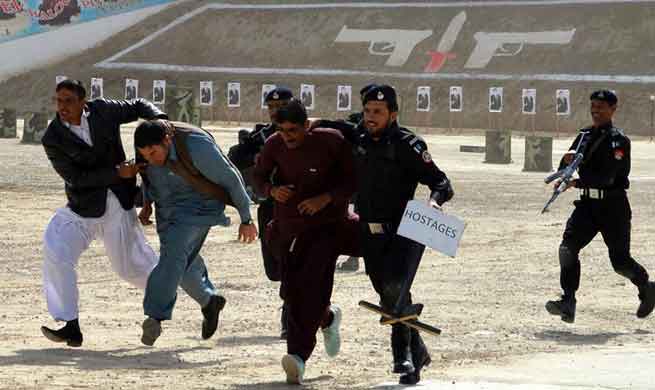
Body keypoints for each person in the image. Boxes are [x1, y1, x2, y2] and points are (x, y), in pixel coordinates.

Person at [40, 79, 166, 347]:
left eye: (68, 101)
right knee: (56, 248)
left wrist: (159, 120)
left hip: (117, 205)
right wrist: (117, 172)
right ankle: (69, 325)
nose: (62, 107)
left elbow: (138, 105)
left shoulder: (103, 110)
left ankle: (169, 290)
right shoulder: (52, 137)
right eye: (58, 101)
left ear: (83, 102)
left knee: (129, 268)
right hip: (82, 208)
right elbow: (74, 177)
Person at [353, 85, 454, 385]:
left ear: (393, 114)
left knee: (395, 290)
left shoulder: (408, 145)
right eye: (368, 111)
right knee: (388, 295)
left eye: (378, 112)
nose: (370, 117)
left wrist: (434, 202)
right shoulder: (356, 139)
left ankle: (403, 357)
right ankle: (419, 350)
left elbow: (442, 182)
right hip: (370, 233)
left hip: (405, 230)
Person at [253, 99, 358, 384]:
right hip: (288, 228)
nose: (288, 137)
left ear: (307, 126)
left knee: (310, 287)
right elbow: (258, 178)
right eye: (282, 130)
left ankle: (297, 357)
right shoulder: (274, 144)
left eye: (293, 130)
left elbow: (353, 180)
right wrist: (272, 190)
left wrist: (325, 199)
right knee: (291, 293)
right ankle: (326, 318)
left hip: (327, 227)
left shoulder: (331, 142)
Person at [134, 119, 257, 346]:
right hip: (167, 212)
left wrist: (246, 218)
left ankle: (155, 316)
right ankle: (209, 301)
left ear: (167, 140)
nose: (150, 159)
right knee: (182, 263)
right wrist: (146, 204)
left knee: (173, 256)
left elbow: (231, 178)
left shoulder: (196, 146)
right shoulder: (144, 146)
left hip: (199, 208)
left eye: (154, 153)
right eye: (145, 155)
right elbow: (149, 178)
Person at [545, 89, 655, 323]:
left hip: (613, 207)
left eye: (601, 107)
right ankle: (568, 301)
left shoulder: (619, 141)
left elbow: (607, 177)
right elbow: (569, 163)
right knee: (567, 249)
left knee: (620, 262)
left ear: (613, 110)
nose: (595, 110)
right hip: (587, 206)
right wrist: (565, 162)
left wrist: (576, 182)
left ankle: (647, 287)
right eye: (593, 106)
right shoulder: (584, 134)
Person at [227, 86, 294, 339]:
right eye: (272, 107)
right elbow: (235, 161)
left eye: (282, 106)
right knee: (274, 269)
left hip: (298, 207)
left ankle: (290, 316)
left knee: (292, 263)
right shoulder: (262, 136)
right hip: (270, 207)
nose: (276, 111)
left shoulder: (308, 133)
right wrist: (245, 150)